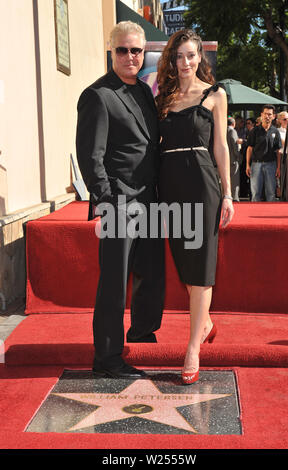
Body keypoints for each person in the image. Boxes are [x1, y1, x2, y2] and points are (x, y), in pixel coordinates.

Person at [76, 21, 165, 379]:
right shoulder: (98, 95)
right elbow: (90, 157)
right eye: (123, 50)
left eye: (137, 50)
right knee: (115, 282)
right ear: (111, 52)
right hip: (120, 203)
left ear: (144, 53)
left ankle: (141, 334)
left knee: (151, 274)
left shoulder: (144, 92)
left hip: (151, 200)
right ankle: (108, 357)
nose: (131, 56)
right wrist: (107, 201)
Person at [156, 29, 234, 385]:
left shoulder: (215, 95)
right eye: (179, 57)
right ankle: (205, 323)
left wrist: (229, 194)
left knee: (201, 263)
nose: (185, 62)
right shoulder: (165, 97)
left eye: (191, 55)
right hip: (169, 184)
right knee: (184, 259)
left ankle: (192, 347)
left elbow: (221, 147)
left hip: (203, 184)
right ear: (172, 61)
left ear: (200, 57)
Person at [246, 105, 282, 201]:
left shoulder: (275, 131)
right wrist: (247, 165)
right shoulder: (254, 131)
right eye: (265, 114)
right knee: (255, 193)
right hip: (256, 164)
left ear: (273, 116)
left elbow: (278, 151)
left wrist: (278, 167)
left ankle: (270, 215)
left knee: (271, 193)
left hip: (271, 165)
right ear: (261, 115)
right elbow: (249, 149)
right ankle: (254, 213)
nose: (267, 116)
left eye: (270, 114)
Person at [227, 117, 242, 201]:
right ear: (233, 124)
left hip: (224, 159)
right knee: (234, 179)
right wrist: (239, 156)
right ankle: (235, 197)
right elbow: (235, 145)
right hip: (233, 159)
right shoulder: (232, 131)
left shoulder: (223, 130)